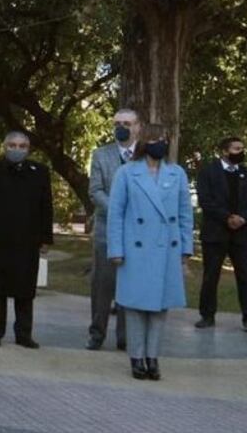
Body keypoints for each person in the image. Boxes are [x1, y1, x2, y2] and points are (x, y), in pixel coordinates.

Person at [107, 124, 193, 381]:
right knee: (134, 307)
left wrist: (186, 249)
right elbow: (116, 215)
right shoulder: (126, 173)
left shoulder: (177, 174)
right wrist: (116, 249)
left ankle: (153, 358)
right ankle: (136, 357)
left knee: (159, 307)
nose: (160, 144)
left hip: (167, 249)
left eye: (163, 139)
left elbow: (185, 215)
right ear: (144, 143)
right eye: (154, 139)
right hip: (135, 250)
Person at [0, 131, 53, 349]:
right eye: (13, 145)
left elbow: (46, 207)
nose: (17, 149)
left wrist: (45, 238)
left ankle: (24, 333)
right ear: (5, 146)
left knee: (25, 290)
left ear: (28, 149)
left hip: (27, 241)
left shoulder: (39, 172)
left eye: (22, 146)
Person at [195, 136, 247, 333]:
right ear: (225, 151)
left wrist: (243, 218)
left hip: (242, 234)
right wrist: (227, 217)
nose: (240, 151)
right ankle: (207, 315)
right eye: (236, 148)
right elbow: (205, 200)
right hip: (215, 233)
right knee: (210, 276)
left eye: (242, 148)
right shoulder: (208, 172)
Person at [86, 108, 140, 351]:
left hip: (138, 232)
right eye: (118, 123)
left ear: (138, 126)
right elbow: (95, 190)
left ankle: (125, 337)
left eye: (127, 123)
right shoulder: (101, 154)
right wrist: (118, 211)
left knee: (131, 283)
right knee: (102, 284)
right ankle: (96, 333)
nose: (122, 127)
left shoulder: (146, 155)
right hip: (106, 228)